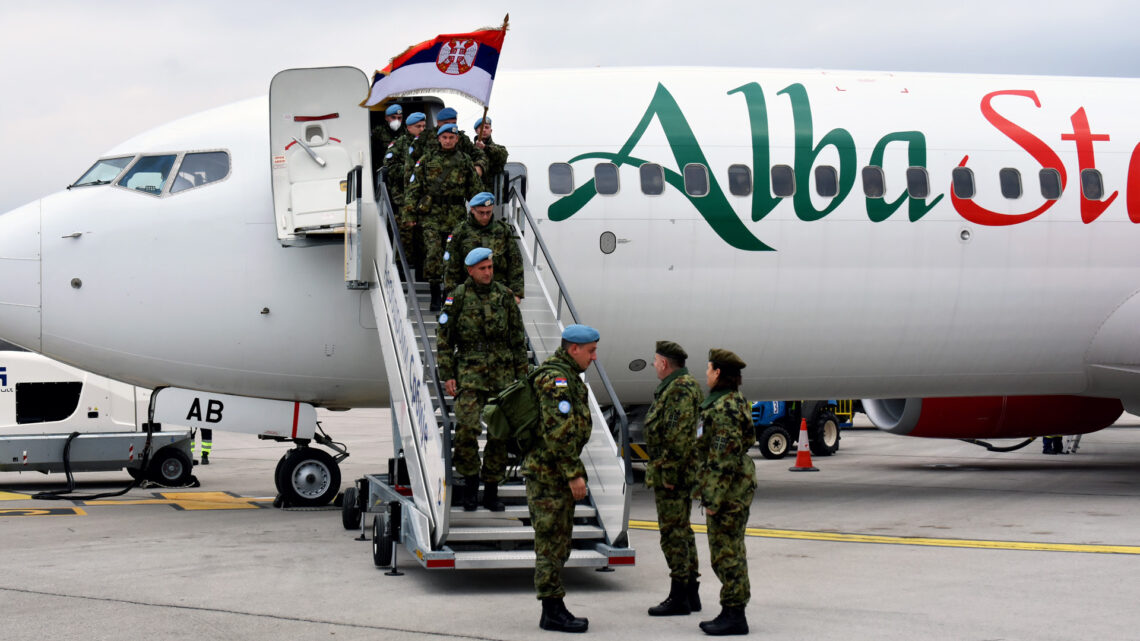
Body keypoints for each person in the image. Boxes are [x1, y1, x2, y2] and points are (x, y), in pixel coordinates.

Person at [436, 247, 529, 511]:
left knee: (499, 434)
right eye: (483, 268)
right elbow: (444, 339)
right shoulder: (457, 298)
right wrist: (447, 375)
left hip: (502, 376)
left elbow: (517, 339)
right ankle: (468, 487)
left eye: (490, 267)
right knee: (466, 429)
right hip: (469, 374)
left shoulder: (504, 296)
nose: (488, 272)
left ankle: (491, 490)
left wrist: (521, 377)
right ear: (470, 270)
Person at [525, 324, 599, 633]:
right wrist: (573, 474)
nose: (594, 357)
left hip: (553, 472)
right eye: (591, 351)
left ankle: (554, 606)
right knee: (551, 543)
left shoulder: (568, 376)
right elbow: (558, 433)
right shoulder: (557, 381)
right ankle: (552, 609)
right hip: (549, 475)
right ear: (574, 349)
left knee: (558, 541)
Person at [696, 348, 756, 636]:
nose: (705, 373)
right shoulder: (734, 401)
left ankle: (734, 614)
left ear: (718, 372)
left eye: (708, 369)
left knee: (727, 552)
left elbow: (723, 456)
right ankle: (731, 609)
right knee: (727, 549)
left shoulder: (724, 408)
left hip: (728, 490)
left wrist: (713, 498)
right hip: (735, 485)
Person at [645, 340, 704, 617]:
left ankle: (680, 595)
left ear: (665, 363)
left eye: (656, 361)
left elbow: (677, 435)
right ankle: (691, 593)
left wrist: (669, 472)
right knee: (682, 531)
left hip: (673, 473)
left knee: (673, 533)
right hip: (676, 469)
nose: (654, 365)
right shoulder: (679, 385)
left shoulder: (679, 389)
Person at [403, 123, 482, 310]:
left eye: (451, 138)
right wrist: (409, 213)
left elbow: (475, 190)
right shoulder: (427, 159)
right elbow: (413, 189)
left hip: (456, 216)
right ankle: (434, 293)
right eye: (444, 137)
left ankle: (448, 293)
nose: (447, 141)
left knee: (452, 256)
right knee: (433, 253)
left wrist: (480, 213)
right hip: (431, 216)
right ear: (439, 138)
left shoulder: (464, 161)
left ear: (457, 139)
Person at [443, 192, 524, 298]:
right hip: (469, 294)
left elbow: (515, 261)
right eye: (481, 213)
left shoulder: (503, 231)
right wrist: (452, 292)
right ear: (472, 210)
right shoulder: (460, 232)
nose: (485, 217)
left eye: (488, 212)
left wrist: (517, 293)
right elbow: (451, 265)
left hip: (499, 293)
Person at [384, 112, 427, 273]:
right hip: (403, 200)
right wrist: (412, 170)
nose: (422, 129)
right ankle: (401, 273)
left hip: (424, 201)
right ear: (409, 128)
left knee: (424, 242)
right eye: (418, 127)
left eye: (424, 126)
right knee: (404, 240)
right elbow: (390, 167)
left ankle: (423, 275)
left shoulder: (430, 144)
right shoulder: (399, 144)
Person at [428, 106, 488, 177]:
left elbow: (481, 155)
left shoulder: (462, 139)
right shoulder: (426, 138)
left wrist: (479, 168)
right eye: (446, 123)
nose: (450, 126)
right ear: (438, 123)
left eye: (453, 123)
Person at [473, 116, 509, 194]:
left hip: (494, 196)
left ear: (491, 130)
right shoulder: (470, 150)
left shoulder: (499, 149)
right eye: (481, 128)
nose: (484, 130)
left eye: (486, 127)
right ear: (476, 131)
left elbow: (502, 156)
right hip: (474, 195)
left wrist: (485, 147)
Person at [371, 103, 404, 178]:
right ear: (386, 118)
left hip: (400, 172)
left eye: (399, 118)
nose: (397, 121)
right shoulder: (378, 132)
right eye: (393, 117)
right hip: (383, 171)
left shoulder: (405, 131)